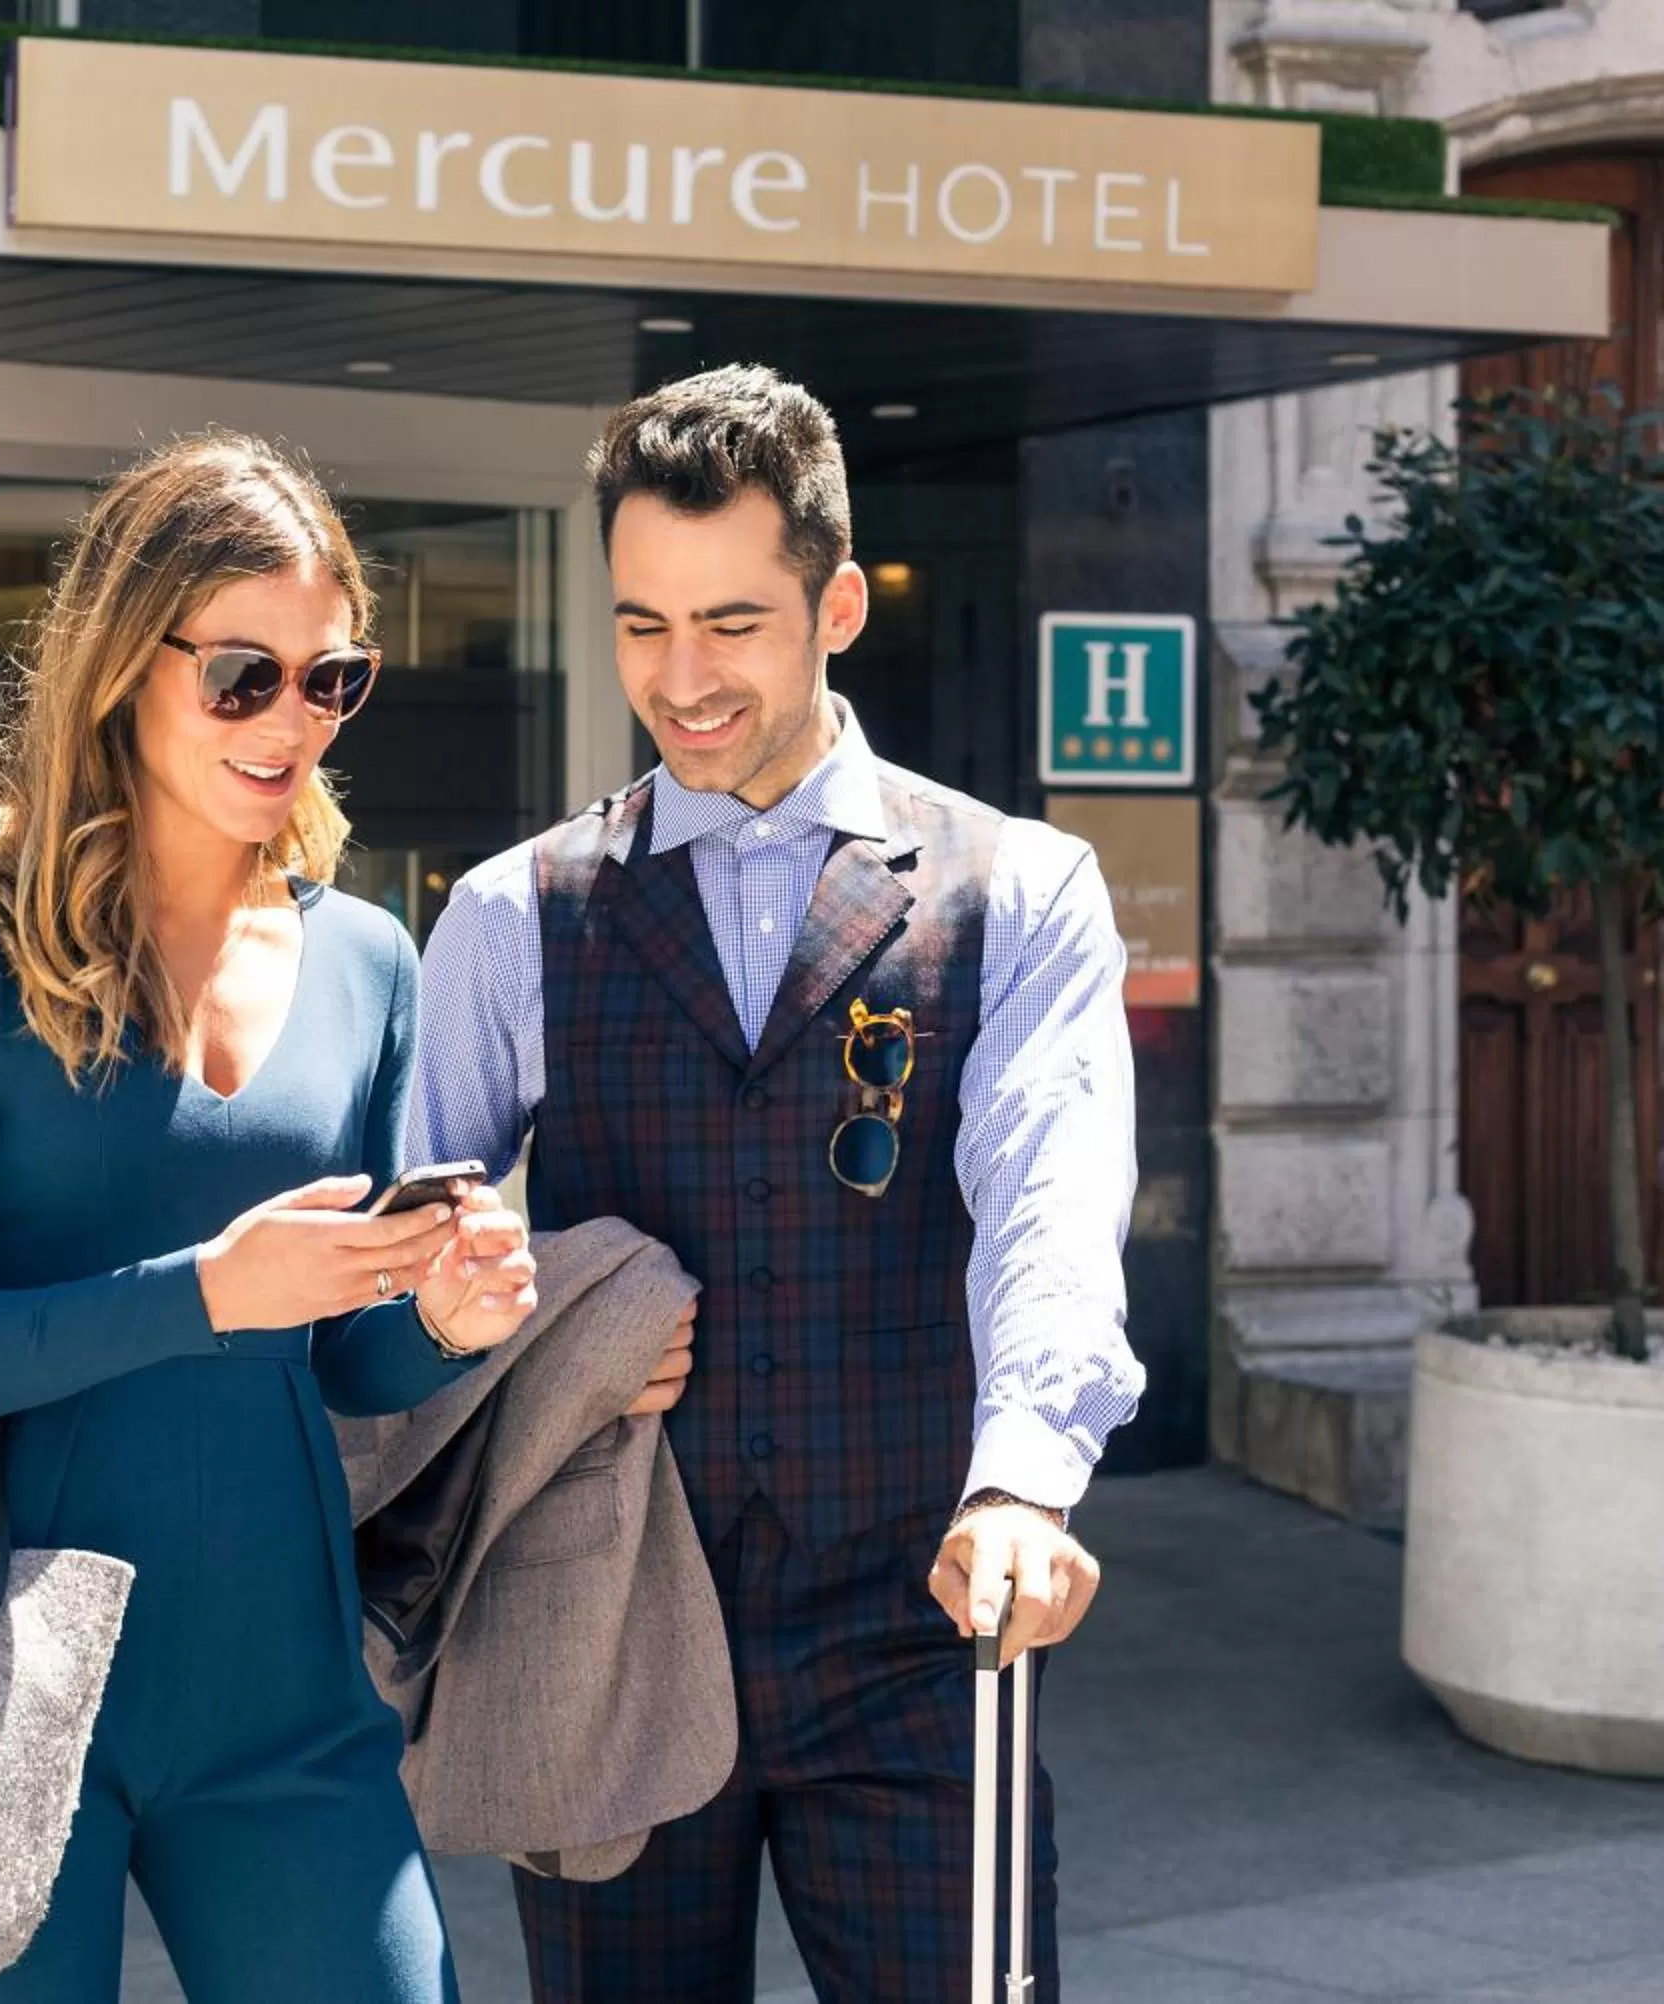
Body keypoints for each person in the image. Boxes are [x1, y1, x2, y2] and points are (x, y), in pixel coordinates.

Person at [411, 365, 1148, 2004]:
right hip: (605, 1614)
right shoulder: (510, 912)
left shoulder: (1017, 888)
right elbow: (417, 1269)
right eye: (642, 622)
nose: (681, 678)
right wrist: (509, 1322)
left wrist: (1026, 1475)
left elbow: (1051, 1193)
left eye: (731, 622)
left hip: (911, 1622)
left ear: (838, 603)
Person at [0, 434, 538, 2004]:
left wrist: (436, 1323)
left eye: (328, 679)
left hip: (282, 1695)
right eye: (241, 676)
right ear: (120, 669)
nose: (289, 720)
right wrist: (202, 1291)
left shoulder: (369, 963)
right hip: (1, 1686)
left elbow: (339, 1363)